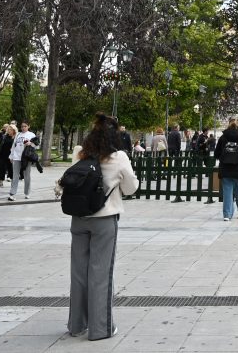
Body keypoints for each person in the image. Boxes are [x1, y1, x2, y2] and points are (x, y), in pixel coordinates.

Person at [66, 113, 138, 341]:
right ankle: (100, 328)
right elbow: (130, 188)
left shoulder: (79, 153)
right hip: (104, 219)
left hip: (78, 218)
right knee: (100, 273)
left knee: (78, 272)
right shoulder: (118, 158)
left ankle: (77, 324)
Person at [215, 117, 238, 221]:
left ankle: (227, 215)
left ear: (228, 124)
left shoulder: (223, 137)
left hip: (225, 167)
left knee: (227, 192)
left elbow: (216, 153)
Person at [8, 121, 37, 201]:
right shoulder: (18, 134)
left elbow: (36, 145)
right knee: (15, 176)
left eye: (25, 126)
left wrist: (30, 143)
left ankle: (27, 193)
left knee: (27, 176)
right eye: (22, 126)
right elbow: (13, 146)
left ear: (28, 126)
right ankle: (12, 193)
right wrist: (11, 156)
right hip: (16, 157)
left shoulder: (31, 135)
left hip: (26, 158)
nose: (23, 128)